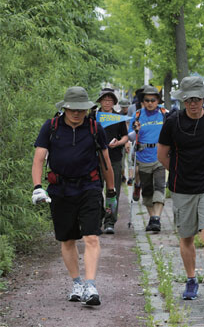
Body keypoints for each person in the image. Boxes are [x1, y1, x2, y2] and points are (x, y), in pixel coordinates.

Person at [31, 86, 116, 306]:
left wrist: (111, 192)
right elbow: (39, 158)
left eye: (81, 109)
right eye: (72, 109)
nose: (77, 113)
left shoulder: (95, 128)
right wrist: (37, 186)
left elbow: (106, 162)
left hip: (89, 186)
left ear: (87, 109)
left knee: (91, 237)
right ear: (65, 108)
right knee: (67, 239)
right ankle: (77, 282)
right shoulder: (50, 127)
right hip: (60, 189)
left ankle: (90, 285)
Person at [157, 76, 204, 305]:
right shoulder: (172, 122)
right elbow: (162, 155)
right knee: (186, 236)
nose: (193, 104)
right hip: (181, 188)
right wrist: (180, 173)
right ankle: (191, 279)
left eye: (197, 99)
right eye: (189, 100)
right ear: (183, 101)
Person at [128, 86, 166, 232]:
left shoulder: (164, 113)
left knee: (159, 186)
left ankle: (156, 218)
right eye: (147, 100)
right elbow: (130, 135)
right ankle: (153, 218)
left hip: (160, 157)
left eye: (153, 100)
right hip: (143, 156)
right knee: (148, 190)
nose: (150, 103)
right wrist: (134, 130)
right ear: (142, 101)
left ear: (158, 100)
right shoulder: (137, 115)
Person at [96, 88, 128, 234]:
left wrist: (119, 143)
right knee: (95, 191)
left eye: (110, 100)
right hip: (94, 160)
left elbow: (125, 137)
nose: (107, 103)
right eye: (104, 100)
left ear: (114, 102)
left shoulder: (118, 118)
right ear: (100, 101)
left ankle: (110, 221)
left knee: (112, 191)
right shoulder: (93, 116)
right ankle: (97, 218)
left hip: (114, 159)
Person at [119, 98, 131, 183]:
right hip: (122, 141)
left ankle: (130, 177)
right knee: (122, 162)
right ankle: (122, 175)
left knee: (130, 160)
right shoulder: (119, 116)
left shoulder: (133, 115)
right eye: (123, 107)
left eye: (126, 107)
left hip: (132, 140)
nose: (125, 109)